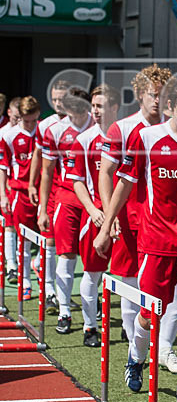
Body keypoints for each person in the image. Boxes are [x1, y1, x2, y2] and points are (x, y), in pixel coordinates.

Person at [94, 78, 177, 402]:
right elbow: (124, 184)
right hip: (156, 243)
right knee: (149, 315)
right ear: (171, 106)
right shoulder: (145, 138)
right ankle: (136, 357)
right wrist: (105, 228)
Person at [98, 64, 171, 351]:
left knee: (168, 290)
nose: (158, 100)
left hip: (164, 222)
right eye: (153, 94)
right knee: (129, 284)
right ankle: (135, 347)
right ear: (139, 94)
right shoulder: (122, 128)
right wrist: (109, 216)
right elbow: (106, 172)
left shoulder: (176, 127)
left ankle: (163, 347)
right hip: (130, 218)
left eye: (162, 94)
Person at [65, 86, 119, 348]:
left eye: (101, 106)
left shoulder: (128, 135)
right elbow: (76, 182)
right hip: (96, 215)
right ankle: (90, 327)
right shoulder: (83, 140)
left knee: (131, 276)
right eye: (94, 106)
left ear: (115, 107)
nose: (96, 111)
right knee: (92, 273)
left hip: (124, 215)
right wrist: (93, 211)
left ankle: (131, 330)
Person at [38, 88, 93, 335]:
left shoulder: (99, 127)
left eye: (82, 107)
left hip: (95, 200)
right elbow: (47, 171)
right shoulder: (56, 131)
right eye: (73, 107)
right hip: (67, 198)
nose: (77, 112)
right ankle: (64, 311)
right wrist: (43, 207)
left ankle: (91, 314)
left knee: (93, 261)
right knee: (66, 255)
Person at [29, 81, 69, 314]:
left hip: (77, 193)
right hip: (54, 192)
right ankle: (49, 292)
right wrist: (32, 185)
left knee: (72, 248)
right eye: (54, 99)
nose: (58, 103)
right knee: (51, 242)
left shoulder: (83, 123)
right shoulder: (46, 125)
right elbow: (39, 157)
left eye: (62, 98)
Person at [0, 97, 40, 302]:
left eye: (34, 120)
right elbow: (3, 168)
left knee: (51, 240)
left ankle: (40, 266)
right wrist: (3, 195)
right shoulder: (9, 135)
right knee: (23, 238)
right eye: (27, 121)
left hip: (44, 192)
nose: (31, 125)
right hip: (20, 192)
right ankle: (25, 283)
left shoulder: (44, 132)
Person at [1, 97, 22, 288]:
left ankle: (21, 264)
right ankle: (11, 266)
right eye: (16, 117)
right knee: (9, 226)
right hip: (8, 186)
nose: (18, 121)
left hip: (23, 188)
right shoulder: (5, 133)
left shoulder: (32, 131)